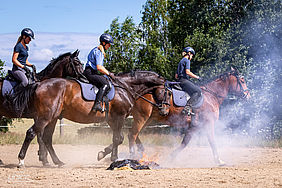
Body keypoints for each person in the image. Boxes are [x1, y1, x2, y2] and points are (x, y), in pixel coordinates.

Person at [83, 33, 114, 112]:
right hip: (90, 72)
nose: (109, 46)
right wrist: (109, 73)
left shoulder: (96, 49)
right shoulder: (99, 52)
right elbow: (99, 67)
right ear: (104, 43)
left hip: (90, 71)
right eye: (108, 44)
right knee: (105, 84)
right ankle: (97, 104)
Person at [176, 47, 202, 115]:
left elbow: (176, 75)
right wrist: (197, 77)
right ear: (189, 53)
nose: (192, 57)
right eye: (192, 55)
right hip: (183, 80)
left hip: (179, 80)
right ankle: (187, 107)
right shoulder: (187, 60)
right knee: (198, 91)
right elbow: (188, 72)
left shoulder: (181, 61)